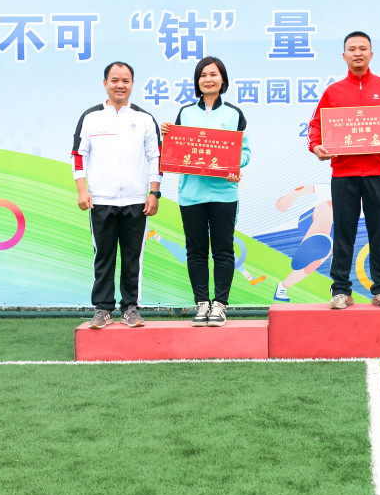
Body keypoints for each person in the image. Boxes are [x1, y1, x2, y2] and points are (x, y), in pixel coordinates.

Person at [306, 31, 380, 310]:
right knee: (344, 233)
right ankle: (341, 290)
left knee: (379, 232)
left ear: (371, 54)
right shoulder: (333, 92)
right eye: (352, 49)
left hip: (379, 172)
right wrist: (316, 146)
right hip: (344, 174)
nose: (358, 53)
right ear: (344, 55)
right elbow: (315, 125)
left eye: (363, 48)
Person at [161, 56, 250, 327]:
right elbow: (177, 151)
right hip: (191, 195)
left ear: (223, 80)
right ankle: (202, 303)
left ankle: (220, 305)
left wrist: (235, 166)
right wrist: (168, 135)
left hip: (224, 194)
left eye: (213, 74)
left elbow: (245, 152)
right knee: (196, 251)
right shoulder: (185, 112)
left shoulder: (234, 114)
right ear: (197, 81)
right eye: (202, 75)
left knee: (223, 250)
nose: (208, 79)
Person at [73, 61, 161, 329]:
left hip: (137, 202)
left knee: (133, 258)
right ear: (105, 83)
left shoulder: (144, 119)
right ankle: (103, 309)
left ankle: (130, 308)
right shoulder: (91, 117)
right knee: (104, 256)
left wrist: (154, 193)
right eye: (114, 80)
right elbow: (78, 155)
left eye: (125, 80)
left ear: (132, 84)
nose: (120, 85)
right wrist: (82, 189)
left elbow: (155, 157)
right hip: (101, 201)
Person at [270, 183, 333, 302]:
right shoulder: (334, 188)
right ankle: (318, 238)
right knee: (329, 206)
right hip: (311, 218)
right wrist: (286, 200)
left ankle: (282, 287)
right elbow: (305, 189)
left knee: (313, 264)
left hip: (331, 234)